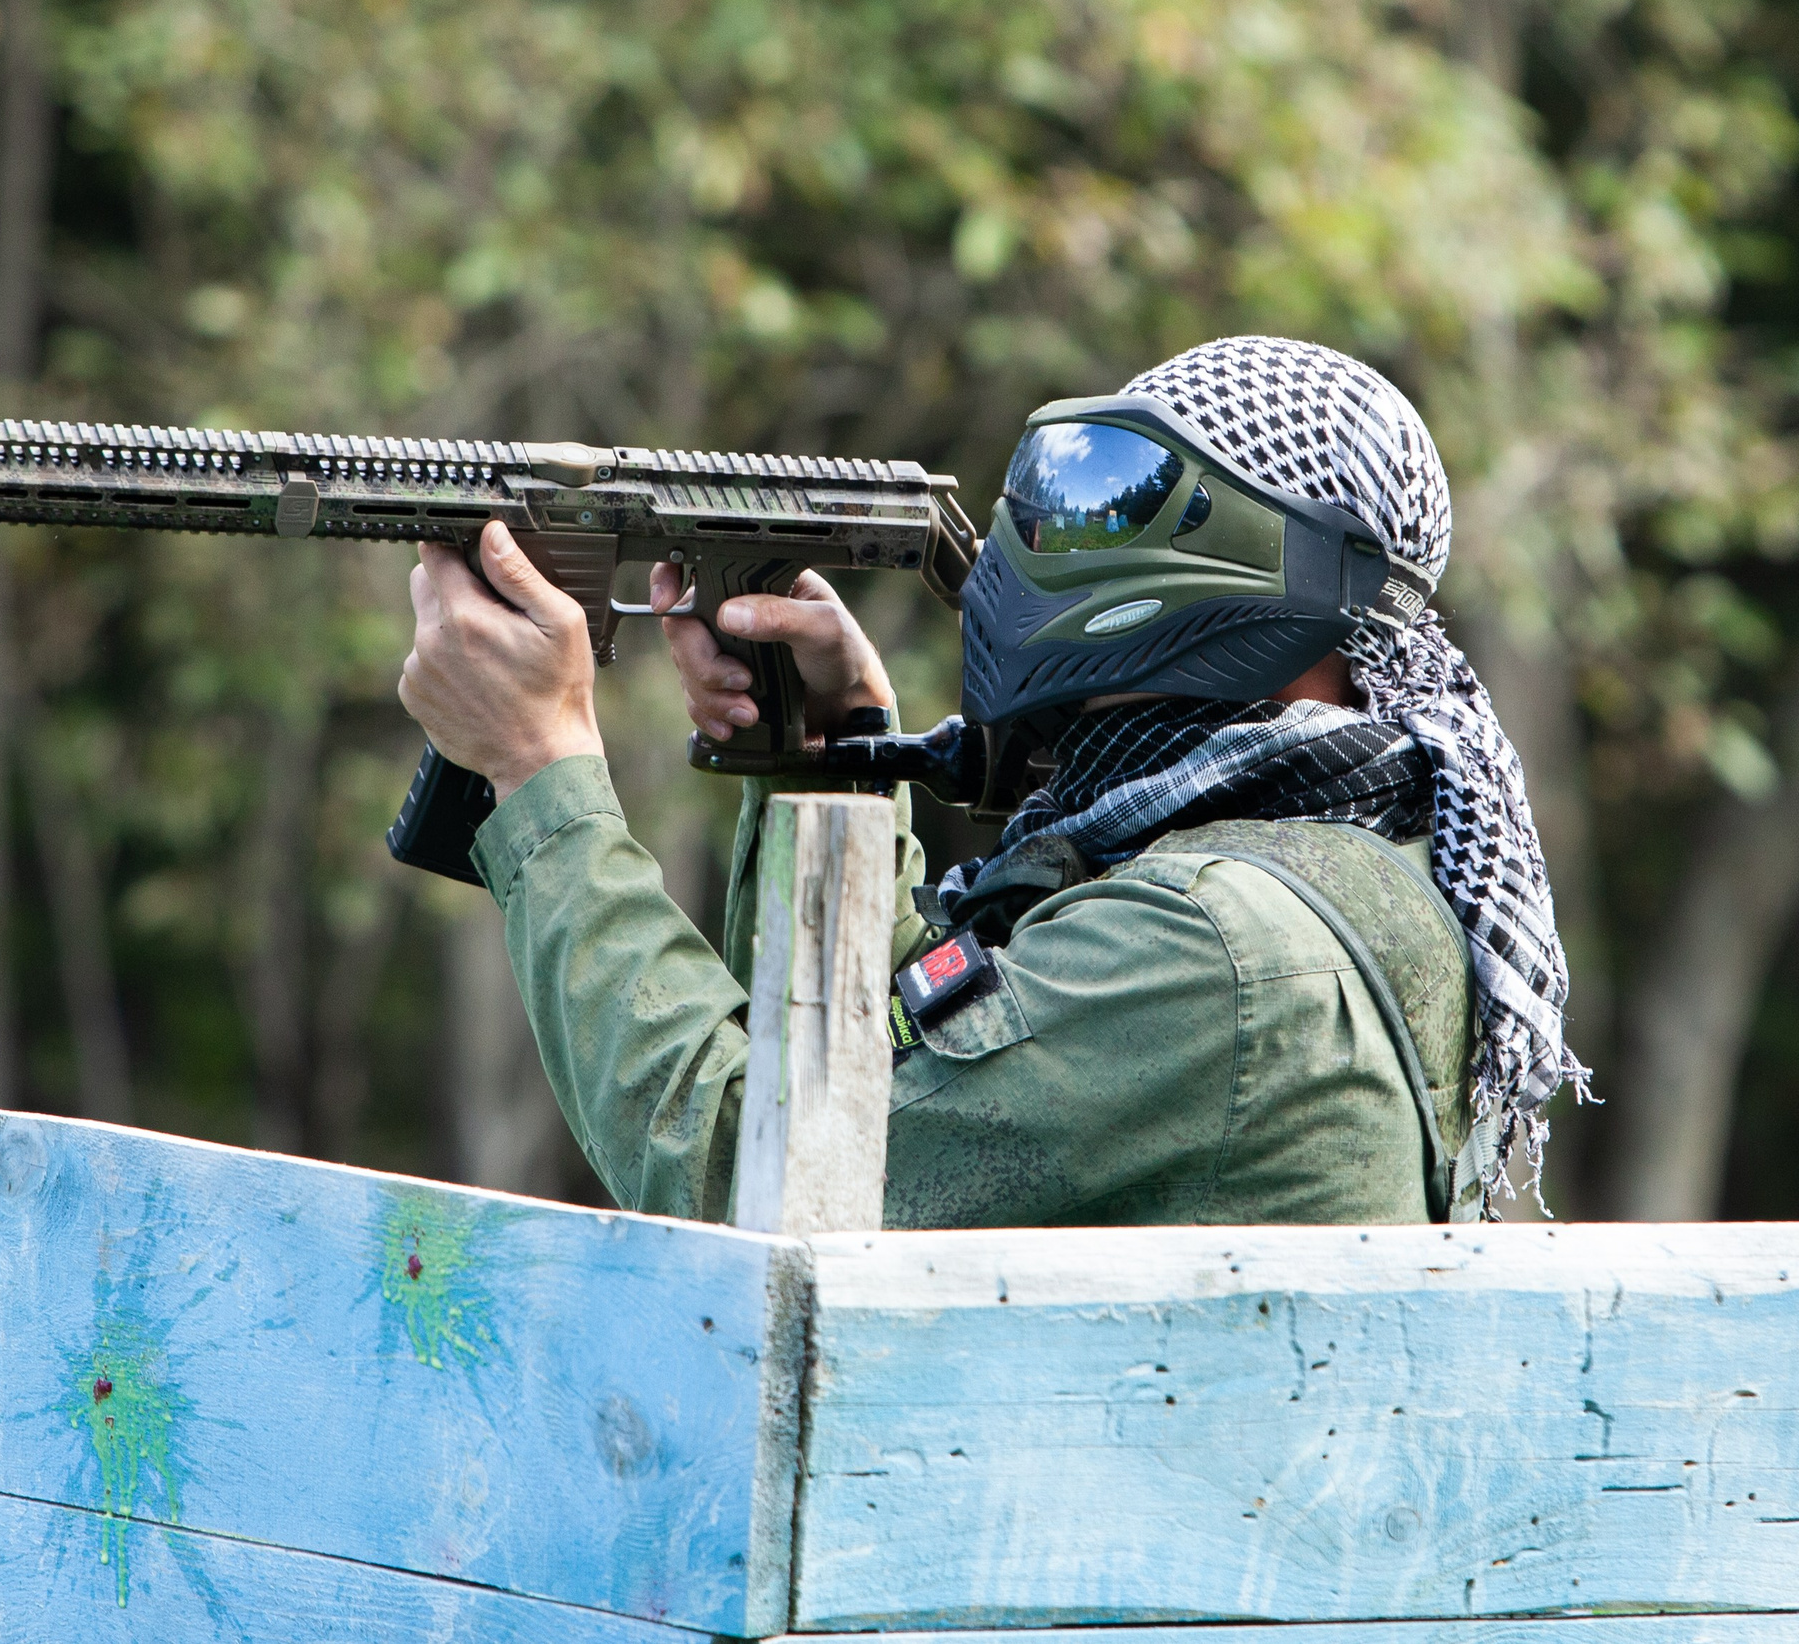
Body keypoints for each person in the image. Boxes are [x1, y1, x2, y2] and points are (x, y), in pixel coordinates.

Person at [397, 337, 1588, 1227]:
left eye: (1098, 496)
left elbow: (743, 1166)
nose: (1034, 533)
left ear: (1223, 557)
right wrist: (830, 766)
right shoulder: (1306, 872)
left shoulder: (1213, 951)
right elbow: (911, 1061)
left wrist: (540, 766)